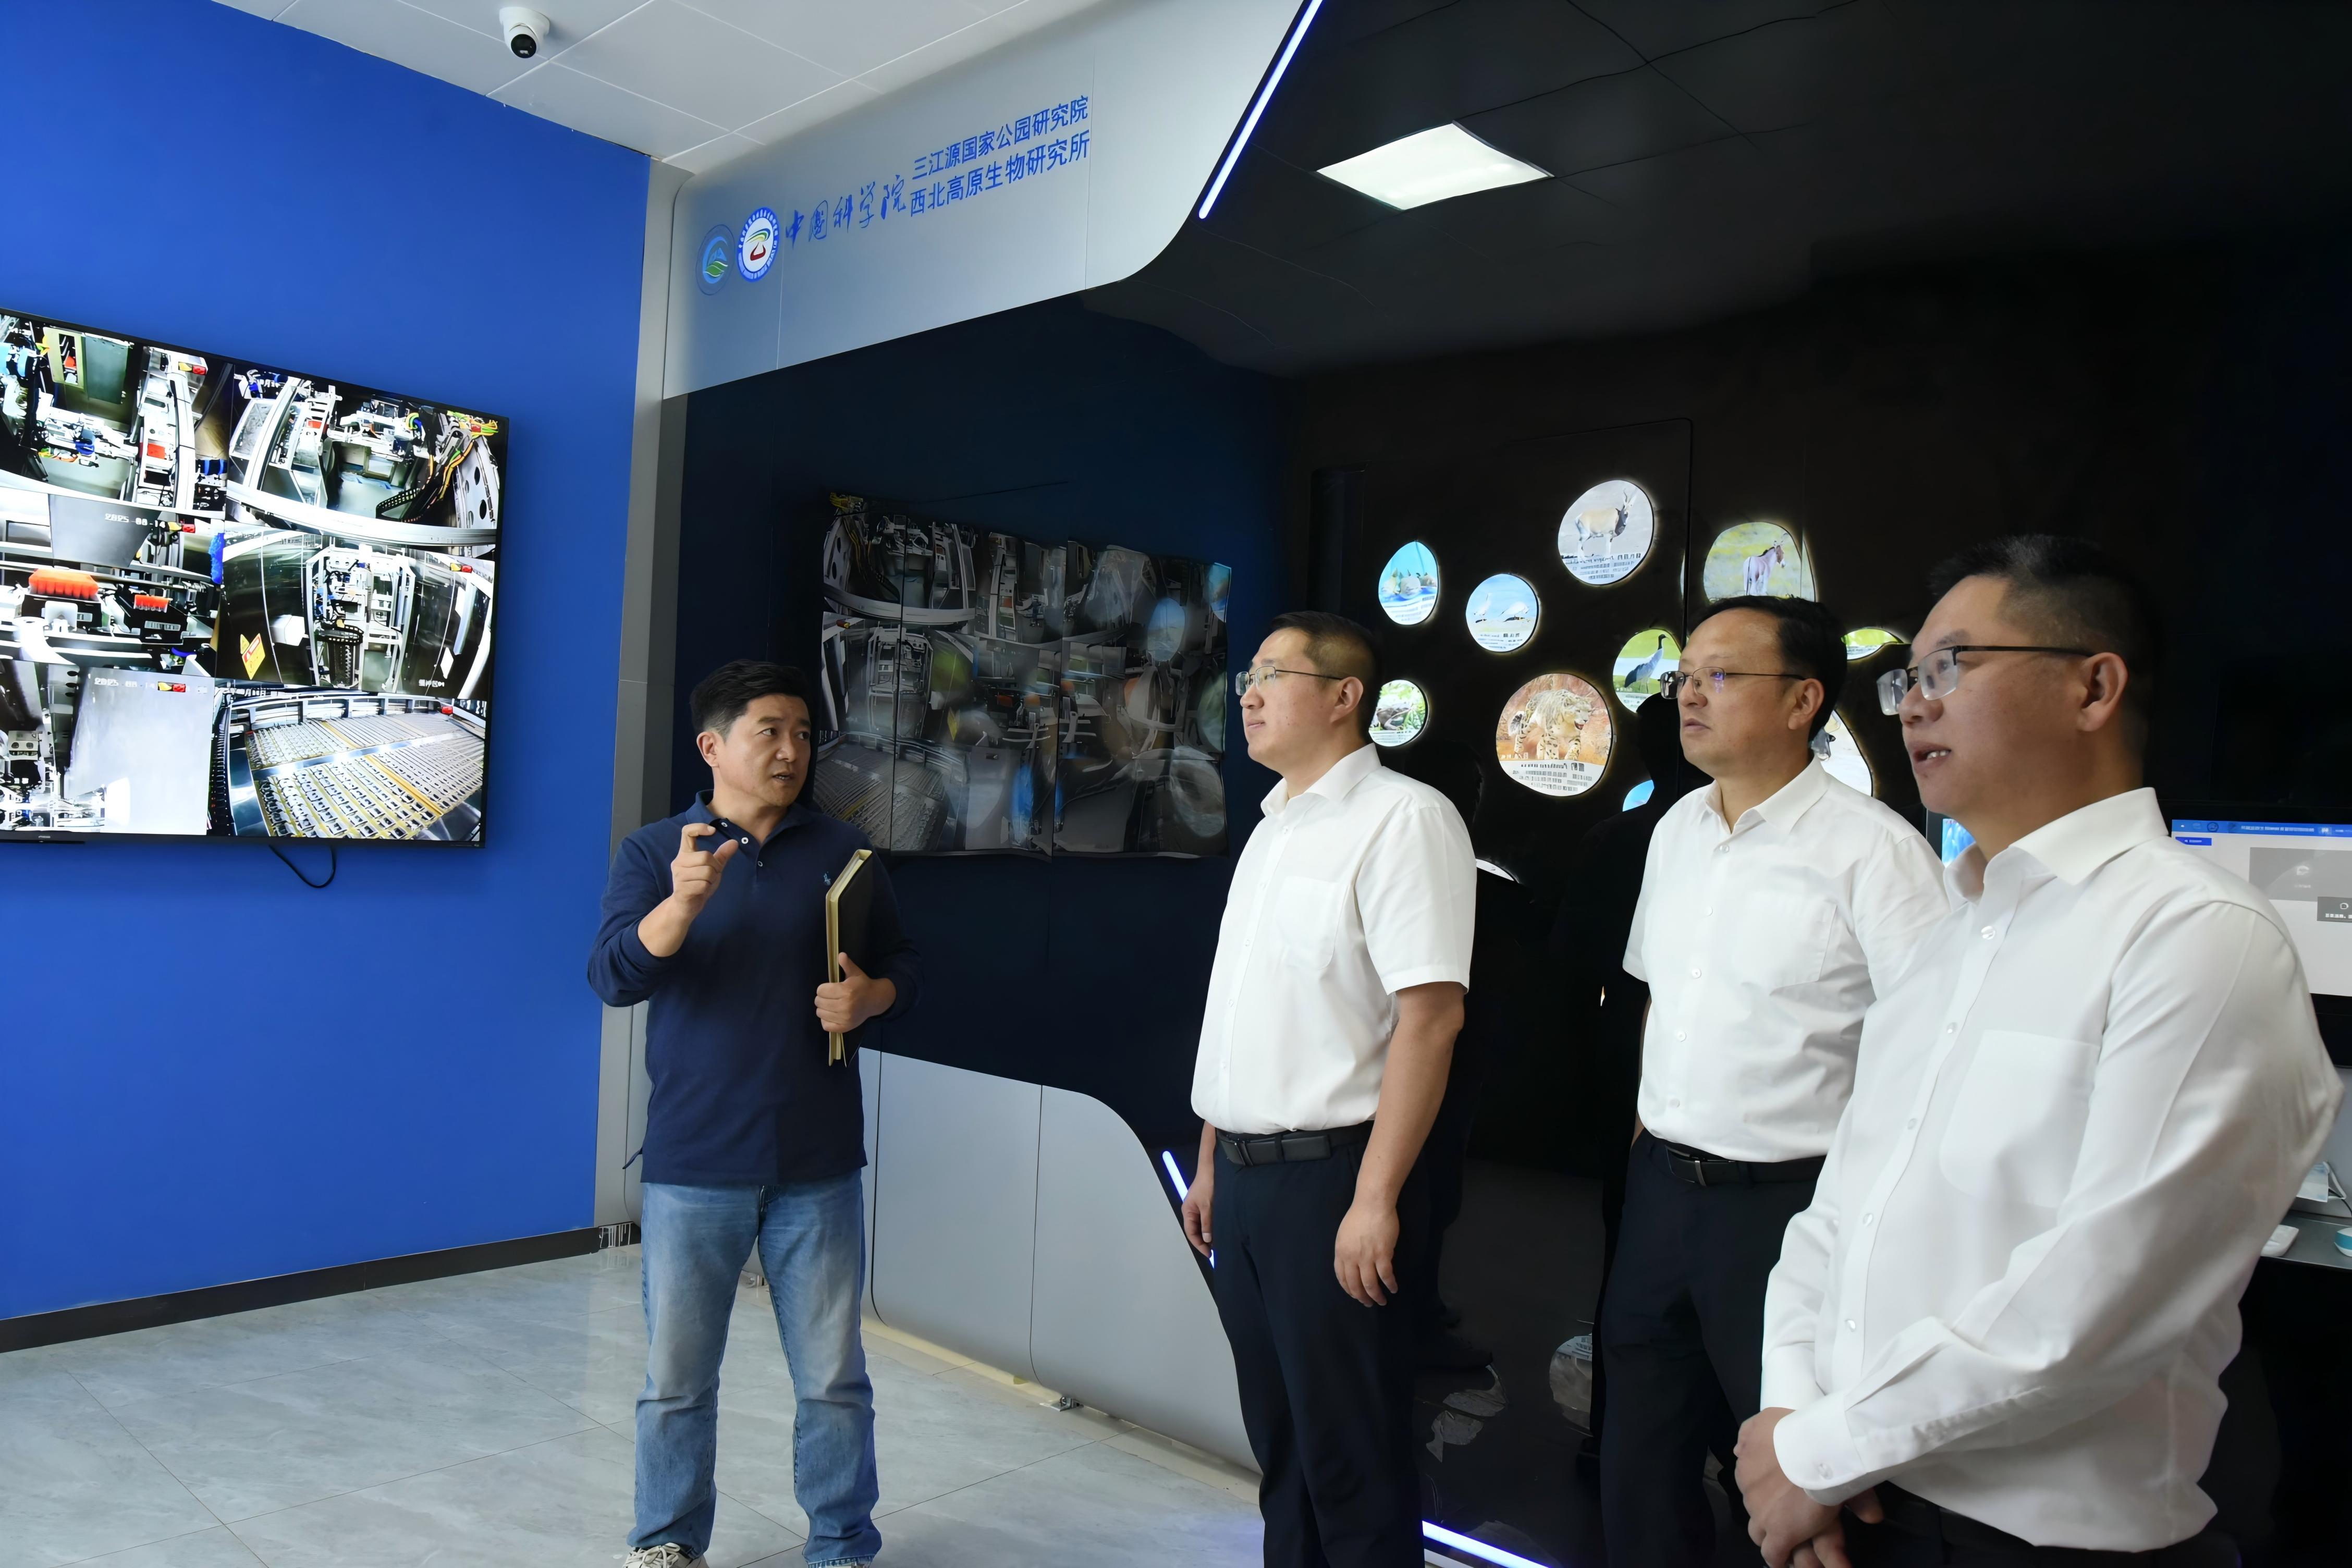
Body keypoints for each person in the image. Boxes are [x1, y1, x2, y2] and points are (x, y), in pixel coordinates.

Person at [1736, 535, 2343, 1568]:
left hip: (2035, 1541)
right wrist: (1791, 1420)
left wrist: (1819, 1450)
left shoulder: (2196, 935)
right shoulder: (1949, 937)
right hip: (1857, 1500)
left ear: (2093, 687)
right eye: (1905, 679)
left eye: (1948, 668)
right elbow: (1839, 1215)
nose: (1912, 706)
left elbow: (2097, 1299)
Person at [1602, 596, 1950, 1568]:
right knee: (1640, 1461)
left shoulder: (1876, 852)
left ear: (1803, 701)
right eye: (1684, 675)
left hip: (1791, 1209)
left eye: (1720, 675)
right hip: (1662, 1193)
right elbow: (1658, 997)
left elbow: (1932, 1049)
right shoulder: (1676, 829)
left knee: (1793, 1487)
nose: (1688, 694)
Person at [588, 659, 922, 1568]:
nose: (791, 750)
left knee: (834, 1379)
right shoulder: (658, 851)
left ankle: (841, 1543)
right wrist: (681, 904)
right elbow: (613, 976)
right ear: (713, 745)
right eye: (769, 731)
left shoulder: (844, 850)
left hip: (818, 1160)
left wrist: (875, 996)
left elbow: (906, 965)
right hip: (695, 1159)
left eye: (803, 733)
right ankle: (667, 1540)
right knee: (677, 1380)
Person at [1180, 610, 1475, 1568]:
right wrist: (1212, 1161)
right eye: (1249, 677)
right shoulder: (1272, 828)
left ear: (1346, 696)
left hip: (1335, 1178)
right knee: (1282, 1450)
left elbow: (1430, 1019)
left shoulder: (1404, 818)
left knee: (1353, 1458)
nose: (1250, 694)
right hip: (1247, 1179)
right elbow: (1247, 1017)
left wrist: (1375, 1197)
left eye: (1275, 674)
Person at [1547, 690, 1699, 1450]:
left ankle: (1615, 1441)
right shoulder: (1668, 841)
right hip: (1647, 1073)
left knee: (1630, 1255)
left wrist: (1576, 1081)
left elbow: (1571, 974)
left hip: (1622, 1064)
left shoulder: (1618, 838)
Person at [1392, 737, 1534, 1372]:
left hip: (1461, 1061)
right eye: (1461, 789)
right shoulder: (1423, 879)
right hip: (1416, 1065)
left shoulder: (1482, 886)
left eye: (1474, 792)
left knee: (1436, 1189)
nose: (1467, 803)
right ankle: (1411, 1324)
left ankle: (1419, 1305)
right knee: (1415, 1193)